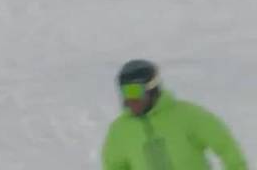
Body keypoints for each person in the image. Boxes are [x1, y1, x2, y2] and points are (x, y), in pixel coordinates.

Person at [101, 59, 248, 170]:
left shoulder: (186, 115)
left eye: (134, 91)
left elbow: (225, 145)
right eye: (125, 92)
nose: (131, 99)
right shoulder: (119, 131)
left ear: (152, 89)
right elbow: (114, 166)